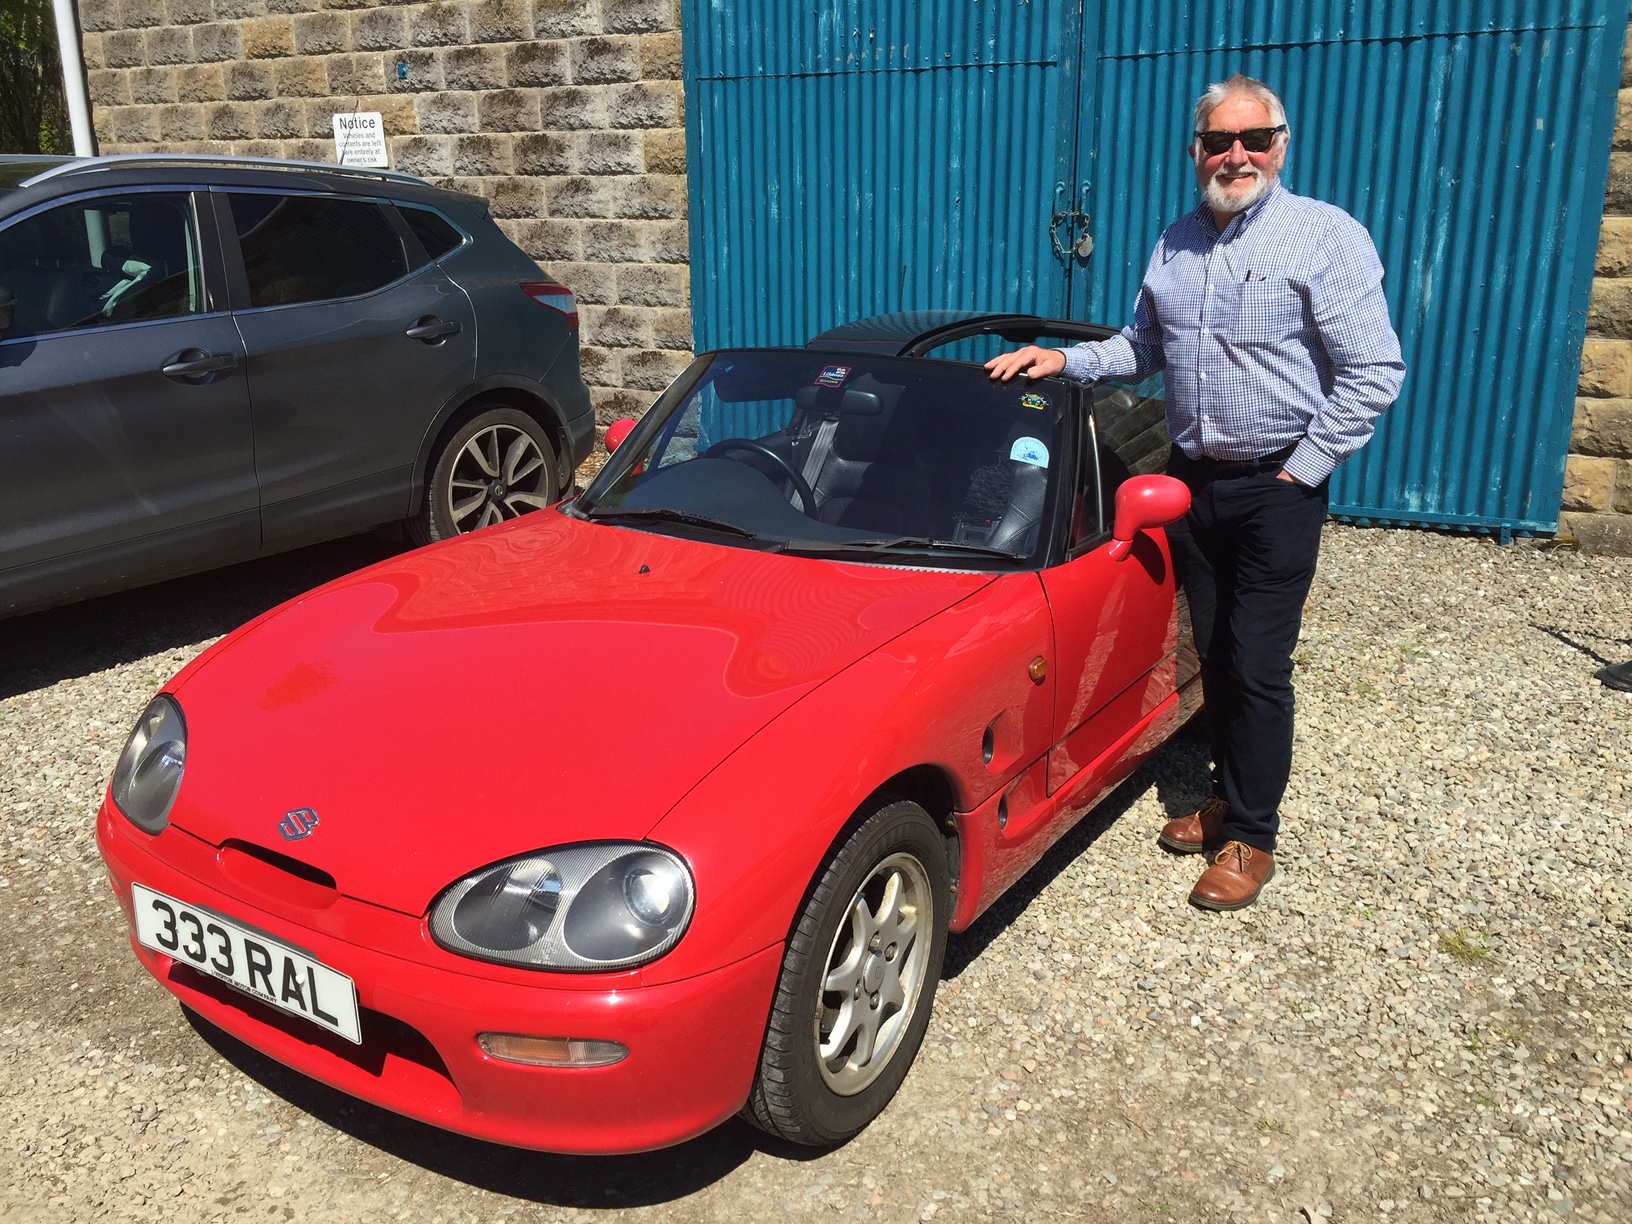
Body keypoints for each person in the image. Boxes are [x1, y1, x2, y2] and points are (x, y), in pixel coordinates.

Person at [987, 72, 1405, 911]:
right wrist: (1062, 360)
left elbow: (1374, 372)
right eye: (1220, 141)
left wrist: (1303, 470)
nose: (1237, 154)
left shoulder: (1325, 237)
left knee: (1256, 665)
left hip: (1277, 484)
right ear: (1196, 151)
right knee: (1211, 652)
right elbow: (1142, 347)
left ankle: (1252, 832)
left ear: (1280, 145)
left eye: (1254, 139)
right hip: (1194, 483)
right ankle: (1222, 796)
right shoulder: (1176, 242)